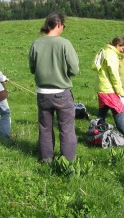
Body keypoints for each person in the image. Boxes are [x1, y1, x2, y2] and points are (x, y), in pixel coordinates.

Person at [29, 11, 79, 163]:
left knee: (45, 128)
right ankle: (67, 162)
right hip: (62, 93)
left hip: (43, 93)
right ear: (58, 24)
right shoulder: (64, 44)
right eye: (63, 25)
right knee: (67, 129)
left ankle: (46, 159)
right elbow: (75, 70)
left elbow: (32, 69)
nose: (63, 28)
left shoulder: (36, 43)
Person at [91, 36, 124, 143]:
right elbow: (114, 75)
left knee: (102, 114)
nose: (122, 51)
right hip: (108, 89)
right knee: (118, 111)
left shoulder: (105, 51)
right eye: (122, 48)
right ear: (118, 46)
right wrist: (120, 91)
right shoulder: (111, 55)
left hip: (101, 87)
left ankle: (95, 133)